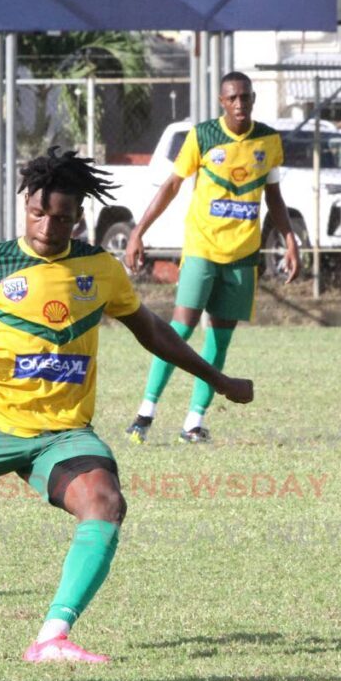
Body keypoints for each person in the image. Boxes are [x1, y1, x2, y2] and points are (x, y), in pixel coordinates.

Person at [0, 148, 253, 663]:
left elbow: (153, 332)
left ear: (78, 216)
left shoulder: (100, 269)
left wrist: (217, 378)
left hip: (62, 435)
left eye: (60, 217)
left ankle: (51, 637)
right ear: (25, 206)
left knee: (105, 503)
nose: (46, 226)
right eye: (38, 213)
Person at [125, 71, 299, 444]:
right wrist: (138, 232)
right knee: (180, 330)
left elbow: (274, 197)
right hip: (203, 249)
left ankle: (193, 421)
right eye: (233, 98)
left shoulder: (268, 141)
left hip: (242, 256)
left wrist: (290, 240)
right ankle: (145, 412)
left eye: (246, 97)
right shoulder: (202, 136)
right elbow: (171, 185)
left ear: (253, 99)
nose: (240, 104)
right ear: (222, 102)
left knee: (219, 341)